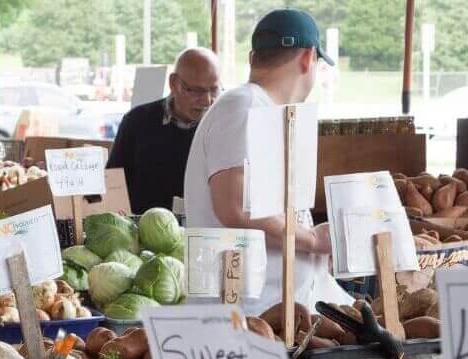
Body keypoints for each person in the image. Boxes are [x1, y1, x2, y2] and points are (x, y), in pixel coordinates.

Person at [184, 8, 352, 314]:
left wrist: (311, 244)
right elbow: (235, 208)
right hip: (247, 315)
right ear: (307, 58)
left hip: (278, 309)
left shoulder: (264, 110)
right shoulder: (242, 107)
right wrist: (311, 241)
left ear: (253, 58)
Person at [107, 48, 220, 214]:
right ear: (174, 83)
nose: (207, 100)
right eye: (196, 90)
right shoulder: (137, 122)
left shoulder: (221, 127)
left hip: (202, 233)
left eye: (214, 90)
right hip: (142, 233)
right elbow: (113, 183)